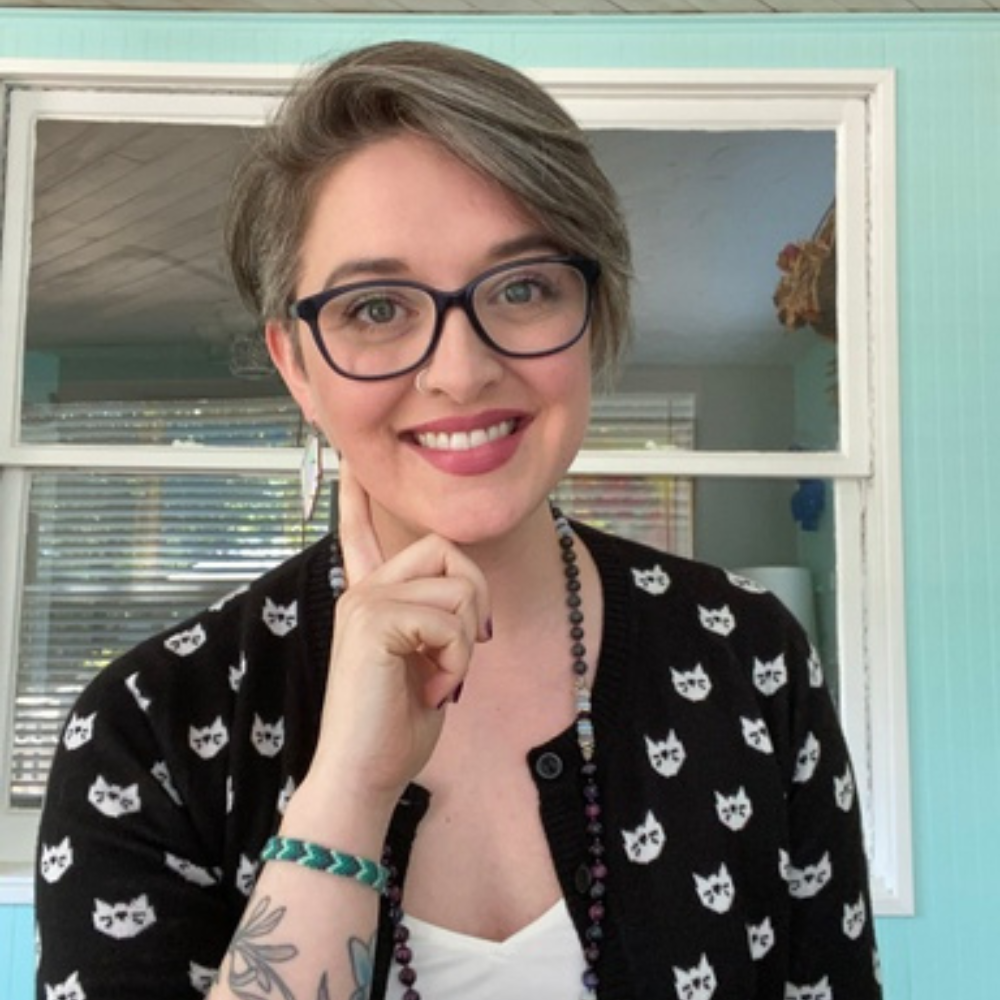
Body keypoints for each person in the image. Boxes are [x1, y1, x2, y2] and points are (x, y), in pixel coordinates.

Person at [35, 40, 882, 1000]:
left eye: (522, 288)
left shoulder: (748, 656)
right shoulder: (148, 728)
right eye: (375, 308)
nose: (460, 370)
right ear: (296, 365)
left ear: (595, 313)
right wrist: (349, 792)